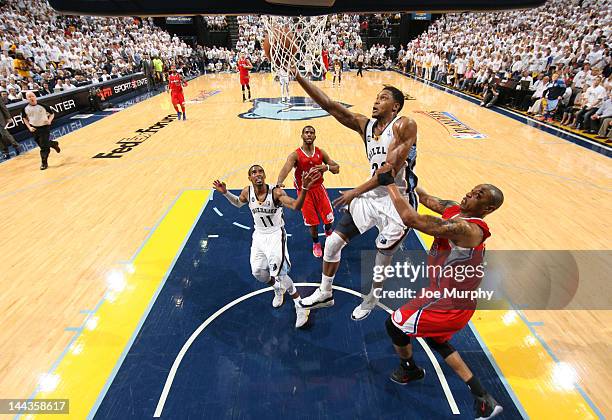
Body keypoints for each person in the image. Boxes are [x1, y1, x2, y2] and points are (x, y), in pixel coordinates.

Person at [378, 169, 504, 419]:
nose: (470, 193)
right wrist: (406, 174)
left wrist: (389, 185)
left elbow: (412, 219)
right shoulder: (456, 210)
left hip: (447, 302)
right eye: (473, 188)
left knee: (394, 326)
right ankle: (482, 397)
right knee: (436, 339)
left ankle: (409, 369)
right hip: (449, 296)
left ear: (487, 208)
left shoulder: (468, 230)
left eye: (478, 194)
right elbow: (427, 198)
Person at [294, 72, 418, 321]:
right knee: (332, 243)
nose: (375, 101)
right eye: (376, 97)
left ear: (395, 106)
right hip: (371, 196)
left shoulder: (404, 125)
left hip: (398, 200)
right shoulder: (366, 125)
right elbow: (329, 105)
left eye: (382, 98)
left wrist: (354, 192)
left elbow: (388, 173)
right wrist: (298, 76)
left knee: (382, 257)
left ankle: (372, 297)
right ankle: (325, 292)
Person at [212, 165, 321, 328]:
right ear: (250, 178)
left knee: (281, 274)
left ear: (264, 175)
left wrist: (304, 188)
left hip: (276, 235)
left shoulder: (276, 193)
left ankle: (301, 305)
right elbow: (237, 203)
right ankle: (278, 288)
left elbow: (296, 206)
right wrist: (225, 193)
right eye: (254, 172)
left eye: (260, 171)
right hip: (259, 236)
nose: (258, 174)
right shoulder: (247, 192)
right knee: (257, 272)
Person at [276, 125, 340, 258]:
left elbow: (336, 168)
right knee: (313, 223)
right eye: (306, 132)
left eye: (311, 133)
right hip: (304, 192)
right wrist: (279, 182)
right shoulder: (295, 155)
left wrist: (326, 167)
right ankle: (316, 243)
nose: (309, 134)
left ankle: (328, 231)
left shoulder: (321, 152)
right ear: (302, 136)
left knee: (329, 219)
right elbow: (286, 168)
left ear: (315, 136)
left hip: (319, 189)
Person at [21, 91, 60, 170]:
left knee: (43, 147)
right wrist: (29, 127)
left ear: (35, 96)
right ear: (26, 99)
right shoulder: (25, 108)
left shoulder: (43, 106)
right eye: (29, 97)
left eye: (32, 96)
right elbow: (24, 118)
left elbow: (52, 114)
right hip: (34, 128)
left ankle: (44, 163)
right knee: (42, 144)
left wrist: (49, 121)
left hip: (44, 128)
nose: (31, 98)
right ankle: (53, 144)